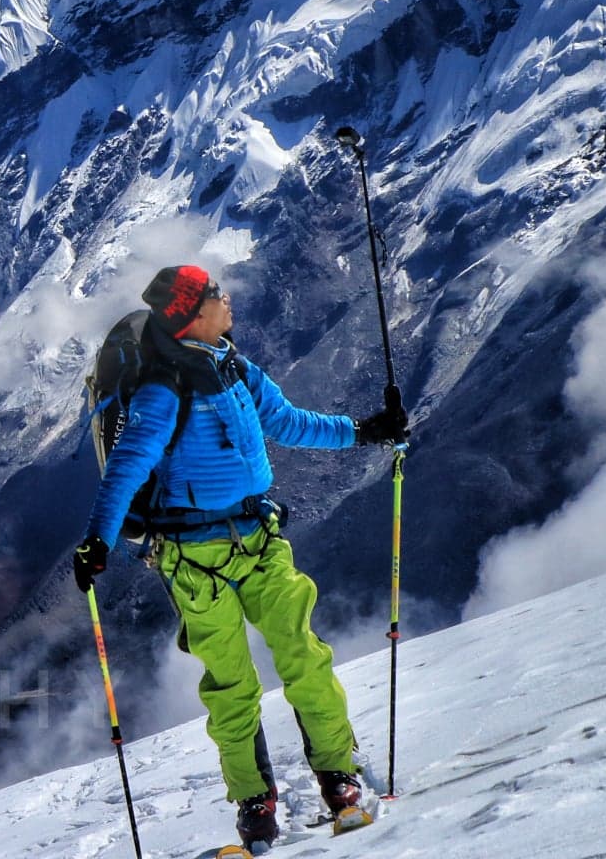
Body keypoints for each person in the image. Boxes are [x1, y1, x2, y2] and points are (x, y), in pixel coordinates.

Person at [71, 264, 408, 850]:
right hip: (194, 555)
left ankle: (334, 776)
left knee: (302, 655)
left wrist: (364, 431)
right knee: (233, 683)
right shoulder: (160, 391)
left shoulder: (233, 366)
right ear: (193, 314)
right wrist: (98, 538)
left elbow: (287, 422)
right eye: (216, 295)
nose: (227, 301)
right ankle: (257, 799)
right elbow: (126, 466)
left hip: (256, 537)